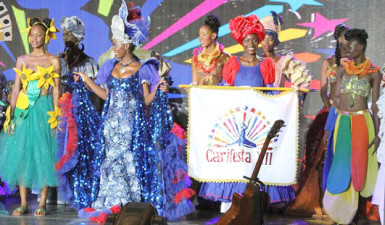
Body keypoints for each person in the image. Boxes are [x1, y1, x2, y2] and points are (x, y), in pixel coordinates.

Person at [76, 1, 194, 222]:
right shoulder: (109, 66)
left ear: (127, 45)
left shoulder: (143, 68)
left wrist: (159, 89)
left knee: (130, 162)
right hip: (111, 125)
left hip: (132, 127)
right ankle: (110, 203)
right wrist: (85, 81)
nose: (113, 48)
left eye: (116, 44)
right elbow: (105, 95)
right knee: (110, 162)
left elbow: (147, 100)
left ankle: (129, 204)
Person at [197, 14, 276, 213]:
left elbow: (272, 91)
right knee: (235, 160)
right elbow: (225, 89)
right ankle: (228, 205)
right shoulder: (233, 63)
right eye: (246, 40)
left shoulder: (265, 65)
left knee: (253, 162)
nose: (251, 44)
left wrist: (291, 98)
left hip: (257, 123)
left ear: (259, 41)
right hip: (235, 121)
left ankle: (252, 204)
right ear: (241, 42)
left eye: (254, 40)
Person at [286, 24, 350, 216]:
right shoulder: (329, 62)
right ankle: (319, 200)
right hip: (330, 112)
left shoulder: (355, 64)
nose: (346, 42)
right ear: (338, 40)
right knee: (319, 157)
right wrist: (331, 110)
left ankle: (343, 203)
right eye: (343, 38)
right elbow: (323, 91)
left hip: (349, 112)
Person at [0, 17, 61, 216]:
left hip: (43, 109)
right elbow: (16, 89)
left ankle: (42, 202)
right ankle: (24, 202)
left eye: (39, 35)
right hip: (24, 110)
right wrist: (11, 115)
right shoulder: (22, 59)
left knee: (44, 154)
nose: (34, 38)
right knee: (22, 154)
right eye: (32, 35)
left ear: (46, 36)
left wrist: (56, 114)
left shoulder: (53, 60)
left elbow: (56, 90)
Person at [323, 28, 380, 224]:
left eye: (351, 47)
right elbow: (336, 101)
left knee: (360, 165)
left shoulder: (374, 72)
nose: (346, 50)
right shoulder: (341, 70)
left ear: (361, 47)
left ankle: (356, 214)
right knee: (341, 164)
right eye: (345, 47)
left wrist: (379, 133)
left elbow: (375, 105)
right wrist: (328, 128)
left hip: (363, 121)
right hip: (342, 120)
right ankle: (341, 214)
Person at [54, 16, 101, 208]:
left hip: (81, 111)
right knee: (60, 147)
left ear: (78, 37)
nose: (66, 37)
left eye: (69, 34)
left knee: (78, 149)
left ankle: (76, 190)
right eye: (64, 34)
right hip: (61, 111)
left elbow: (93, 89)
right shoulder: (57, 59)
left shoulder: (88, 61)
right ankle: (59, 191)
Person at [191, 14, 230, 86]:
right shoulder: (196, 59)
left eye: (204, 34)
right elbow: (194, 84)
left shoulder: (225, 58)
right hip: (199, 96)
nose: (200, 38)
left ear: (213, 36)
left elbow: (228, 85)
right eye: (199, 35)